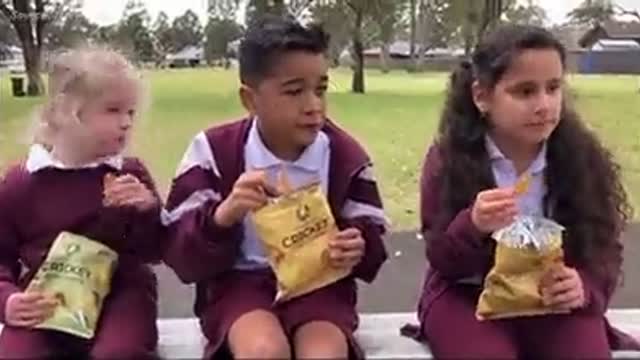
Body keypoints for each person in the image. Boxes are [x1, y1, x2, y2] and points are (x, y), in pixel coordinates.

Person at [162, 15, 388, 359]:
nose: (314, 105)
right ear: (250, 100)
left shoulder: (345, 156)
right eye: (295, 91)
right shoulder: (212, 152)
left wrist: (356, 244)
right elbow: (180, 253)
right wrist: (223, 217)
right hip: (240, 285)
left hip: (319, 289)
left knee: (323, 354)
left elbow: (371, 239)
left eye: (321, 89)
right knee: (264, 351)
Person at [413, 24, 639, 359]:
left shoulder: (578, 158)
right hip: (467, 296)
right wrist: (472, 225)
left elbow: (602, 246)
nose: (544, 105)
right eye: (525, 92)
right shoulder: (450, 159)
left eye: (553, 88)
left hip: (551, 299)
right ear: (481, 96)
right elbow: (442, 257)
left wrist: (583, 287)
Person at [0, 47, 163, 359]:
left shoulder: (129, 173)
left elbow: (154, 250)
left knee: (119, 352)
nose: (127, 122)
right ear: (66, 111)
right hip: (46, 297)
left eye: (131, 112)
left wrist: (147, 210)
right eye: (113, 110)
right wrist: (8, 299)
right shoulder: (22, 183)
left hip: (122, 294)